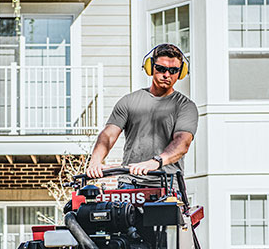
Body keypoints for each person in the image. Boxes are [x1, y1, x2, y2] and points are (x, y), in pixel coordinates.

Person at [85, 44, 198, 187]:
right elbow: (108, 135)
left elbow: (182, 143)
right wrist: (95, 161)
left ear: (181, 73)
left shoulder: (185, 106)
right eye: (161, 69)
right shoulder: (128, 101)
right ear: (150, 67)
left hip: (166, 185)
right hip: (129, 182)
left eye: (173, 70)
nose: (166, 75)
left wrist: (156, 162)